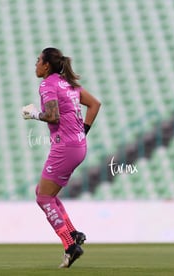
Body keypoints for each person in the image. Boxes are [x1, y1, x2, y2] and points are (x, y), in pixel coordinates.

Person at [21, 47, 101, 268]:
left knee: (43, 198)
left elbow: (53, 116)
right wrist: (81, 133)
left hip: (65, 148)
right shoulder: (68, 83)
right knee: (44, 193)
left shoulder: (48, 84)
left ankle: (70, 245)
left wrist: (33, 113)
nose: (35, 64)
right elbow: (95, 104)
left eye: (38, 60)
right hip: (77, 146)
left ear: (46, 65)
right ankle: (73, 233)